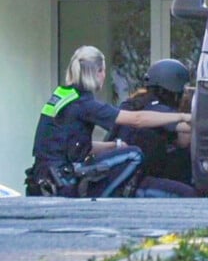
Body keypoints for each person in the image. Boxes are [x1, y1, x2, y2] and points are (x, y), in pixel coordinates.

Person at [25, 46, 193, 198]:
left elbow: (73, 145)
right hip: (63, 182)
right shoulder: (84, 104)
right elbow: (137, 119)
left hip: (43, 180)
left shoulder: (62, 96)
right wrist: (183, 116)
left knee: (125, 153)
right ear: (98, 72)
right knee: (133, 155)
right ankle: (102, 201)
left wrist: (114, 146)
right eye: (103, 71)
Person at [107, 58, 196, 194]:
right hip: (132, 183)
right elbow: (186, 135)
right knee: (189, 193)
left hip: (117, 177)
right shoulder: (157, 108)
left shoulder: (134, 103)